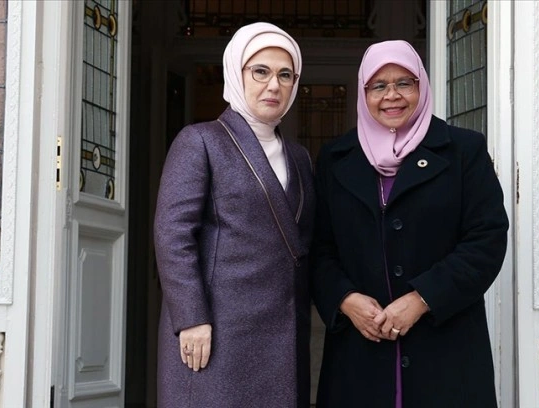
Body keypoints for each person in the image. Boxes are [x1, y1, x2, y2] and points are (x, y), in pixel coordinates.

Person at [310, 40, 509, 407]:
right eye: (378, 85)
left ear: (422, 86)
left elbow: (487, 239)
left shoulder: (463, 151)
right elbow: (319, 247)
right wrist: (345, 299)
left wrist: (423, 298)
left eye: (404, 83)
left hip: (445, 350)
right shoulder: (335, 159)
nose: (392, 96)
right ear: (363, 93)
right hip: (360, 352)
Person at [153, 22, 315, 408]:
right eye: (260, 71)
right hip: (216, 328)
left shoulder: (300, 157)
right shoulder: (201, 141)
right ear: (236, 73)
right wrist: (191, 317)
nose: (273, 85)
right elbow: (173, 234)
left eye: (285, 75)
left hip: (283, 331)